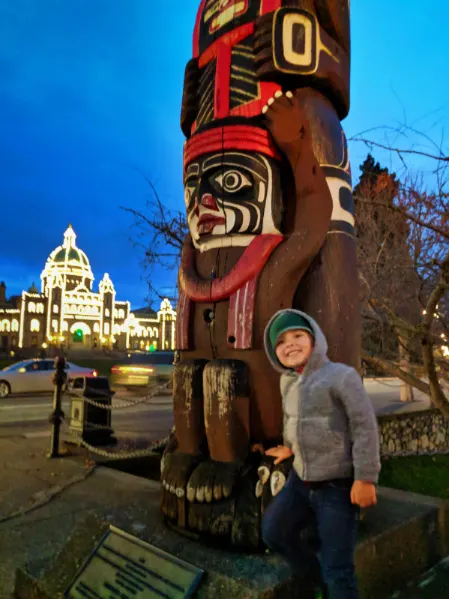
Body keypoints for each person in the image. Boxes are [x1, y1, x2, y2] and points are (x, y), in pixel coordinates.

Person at [260, 309, 380, 599]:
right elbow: (294, 420)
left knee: (339, 568)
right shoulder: (287, 381)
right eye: (281, 341)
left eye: (298, 335)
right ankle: (319, 582)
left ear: (314, 338)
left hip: (337, 487)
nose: (290, 344)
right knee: (274, 533)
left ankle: (333, 586)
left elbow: (364, 427)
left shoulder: (340, 377)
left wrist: (364, 478)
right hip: (301, 481)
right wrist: (290, 446)